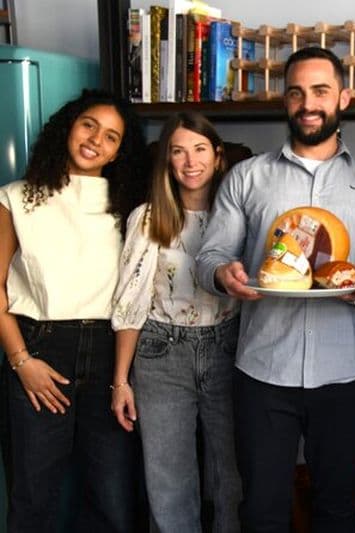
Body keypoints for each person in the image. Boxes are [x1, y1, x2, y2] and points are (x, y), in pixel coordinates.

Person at [195, 46, 355, 533]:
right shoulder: (247, 177)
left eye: (321, 91)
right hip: (263, 371)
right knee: (261, 509)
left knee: (337, 506)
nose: (309, 103)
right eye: (297, 93)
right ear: (285, 101)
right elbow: (209, 258)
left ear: (343, 98)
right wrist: (224, 276)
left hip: (344, 374)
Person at [0, 89, 147, 532]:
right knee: (32, 499)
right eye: (89, 125)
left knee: (113, 503)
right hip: (38, 349)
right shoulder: (15, 197)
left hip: (110, 355)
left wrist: (121, 376)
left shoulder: (129, 208)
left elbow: (135, 295)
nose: (95, 140)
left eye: (111, 136)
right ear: (68, 125)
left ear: (120, 151)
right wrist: (21, 360)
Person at [110, 111, 242, 533]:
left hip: (229, 348)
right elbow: (130, 304)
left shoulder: (239, 220)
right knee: (169, 480)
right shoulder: (148, 219)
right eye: (178, 151)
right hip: (161, 353)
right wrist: (120, 381)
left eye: (200, 149)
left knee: (231, 476)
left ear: (218, 157)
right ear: (167, 160)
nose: (190, 162)